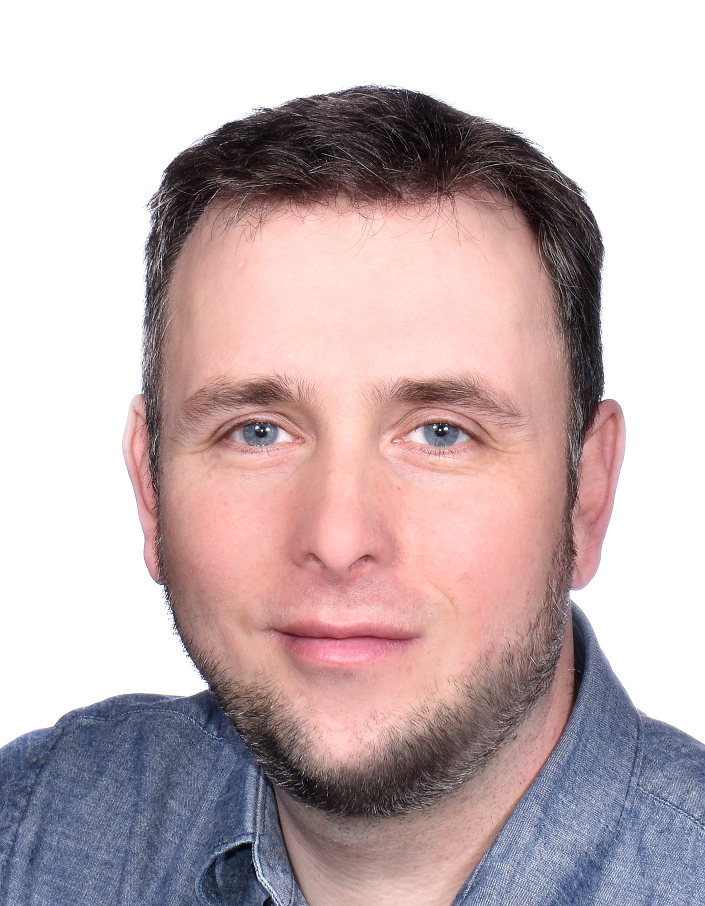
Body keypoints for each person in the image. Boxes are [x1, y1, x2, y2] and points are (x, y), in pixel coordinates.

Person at [1, 87, 703, 906]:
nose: (337, 539)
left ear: (586, 495)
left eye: (440, 433)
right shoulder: (29, 832)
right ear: (150, 488)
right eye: (256, 431)